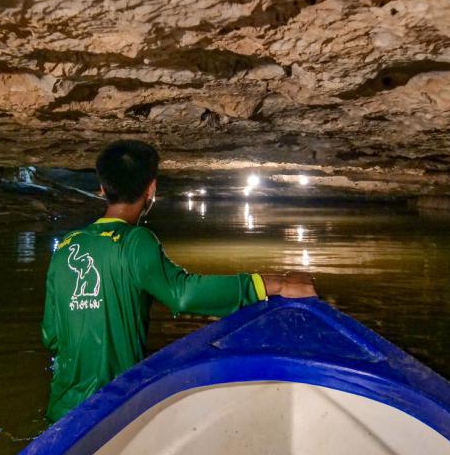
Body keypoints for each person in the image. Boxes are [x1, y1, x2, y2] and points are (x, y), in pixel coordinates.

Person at [41, 140, 316, 422]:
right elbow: (183, 294)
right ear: (151, 189)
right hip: (110, 409)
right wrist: (274, 284)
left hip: (61, 411)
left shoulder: (66, 246)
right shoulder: (135, 242)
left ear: (102, 188)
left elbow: (51, 335)